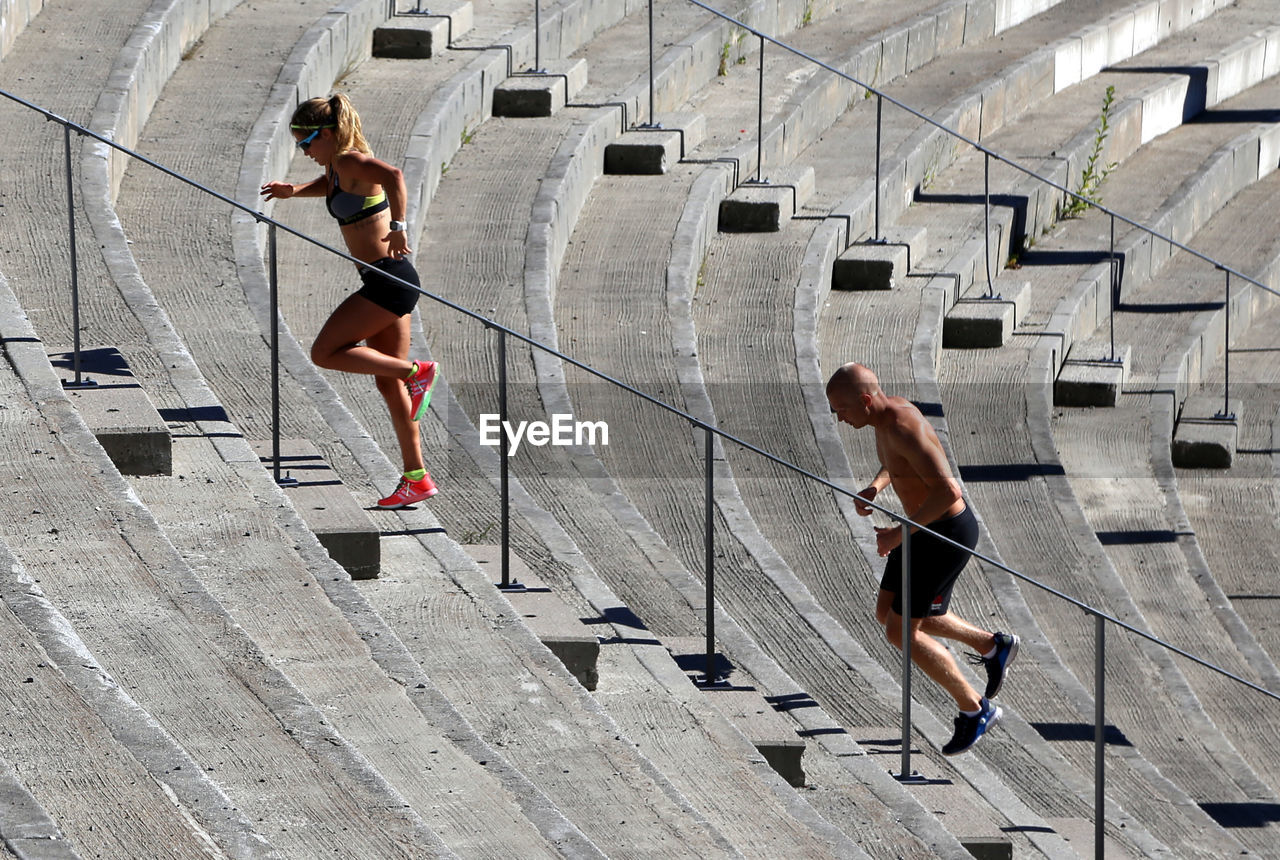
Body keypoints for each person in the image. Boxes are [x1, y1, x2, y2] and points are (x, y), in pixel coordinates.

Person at [826, 362, 1018, 755]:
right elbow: (898, 462)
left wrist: (898, 532)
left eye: (841, 409)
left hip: (944, 534)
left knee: (900, 631)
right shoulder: (884, 418)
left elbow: (948, 491)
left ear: (864, 400)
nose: (838, 417)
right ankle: (992, 645)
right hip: (921, 530)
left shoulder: (901, 424)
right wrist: (877, 487)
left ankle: (975, 709)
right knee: (888, 612)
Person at [261, 93, 439, 509]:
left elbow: (394, 175)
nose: (302, 151)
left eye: (306, 142)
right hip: (387, 281)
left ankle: (417, 371)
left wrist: (399, 226)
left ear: (327, 134)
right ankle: (417, 477)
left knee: (325, 352)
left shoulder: (350, 160)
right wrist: (295, 191)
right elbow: (332, 187)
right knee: (387, 384)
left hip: (387, 281)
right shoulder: (337, 169)